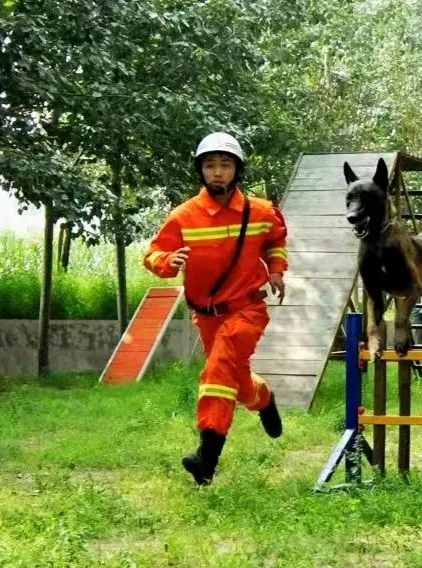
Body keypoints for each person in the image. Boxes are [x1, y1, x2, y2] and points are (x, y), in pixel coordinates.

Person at [143, 132, 288, 485]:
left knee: (218, 369)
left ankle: (207, 457)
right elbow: (153, 253)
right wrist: (167, 261)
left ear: (237, 170)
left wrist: (277, 270)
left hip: (247, 309)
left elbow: (275, 240)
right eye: (210, 165)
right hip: (206, 315)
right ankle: (263, 398)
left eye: (225, 165)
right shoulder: (184, 216)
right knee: (236, 381)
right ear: (201, 170)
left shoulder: (261, 211)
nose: (218, 172)